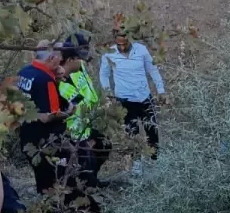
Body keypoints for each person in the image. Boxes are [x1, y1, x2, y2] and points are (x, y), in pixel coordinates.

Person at [100, 30, 166, 167]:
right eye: (119, 44)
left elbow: (152, 69)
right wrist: (108, 93)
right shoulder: (109, 54)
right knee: (131, 133)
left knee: (152, 130)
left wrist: (161, 90)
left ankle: (155, 160)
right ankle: (136, 164)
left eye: (125, 43)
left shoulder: (141, 50)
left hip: (144, 97)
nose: (122, 47)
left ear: (130, 39)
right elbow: (104, 74)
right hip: (124, 101)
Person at [16, 44, 70, 194]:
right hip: (48, 141)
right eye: (59, 57)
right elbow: (49, 116)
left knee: (42, 179)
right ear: (51, 58)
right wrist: (69, 112)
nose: (61, 61)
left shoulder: (24, 72)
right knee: (55, 178)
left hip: (27, 136)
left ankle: (44, 200)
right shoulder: (45, 80)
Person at [57, 32, 110, 185]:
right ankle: (87, 186)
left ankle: (92, 181)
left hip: (86, 124)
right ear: (70, 58)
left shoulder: (79, 68)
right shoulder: (62, 83)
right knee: (86, 162)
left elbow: (88, 90)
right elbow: (79, 105)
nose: (83, 60)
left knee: (104, 145)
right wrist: (99, 108)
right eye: (80, 56)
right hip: (74, 131)